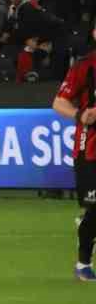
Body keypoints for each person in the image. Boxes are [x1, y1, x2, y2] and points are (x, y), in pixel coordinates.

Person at [51, 24, 96, 281]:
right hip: (89, 148)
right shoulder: (85, 66)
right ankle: (83, 264)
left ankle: (87, 222)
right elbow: (59, 103)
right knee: (95, 209)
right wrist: (80, 115)